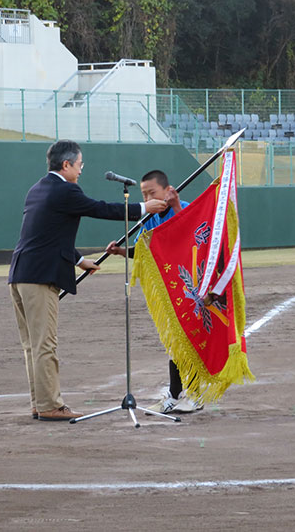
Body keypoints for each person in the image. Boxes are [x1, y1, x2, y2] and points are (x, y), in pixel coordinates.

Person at [8, 140, 167, 421]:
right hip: (40, 277)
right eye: (80, 165)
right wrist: (144, 208)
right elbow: (100, 208)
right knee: (45, 344)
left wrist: (80, 261)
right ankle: (50, 406)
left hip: (20, 275)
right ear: (66, 165)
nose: (81, 170)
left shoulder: (38, 189)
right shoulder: (65, 190)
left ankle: (40, 402)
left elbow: (47, 235)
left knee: (32, 345)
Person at [105, 170, 202, 414]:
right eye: (144, 194)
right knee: (174, 341)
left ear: (167, 191)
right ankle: (175, 392)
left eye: (152, 193)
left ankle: (196, 393)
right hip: (167, 288)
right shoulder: (149, 218)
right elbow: (143, 250)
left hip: (191, 286)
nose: (148, 198)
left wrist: (177, 204)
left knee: (190, 339)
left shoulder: (186, 209)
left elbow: (193, 237)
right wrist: (120, 251)